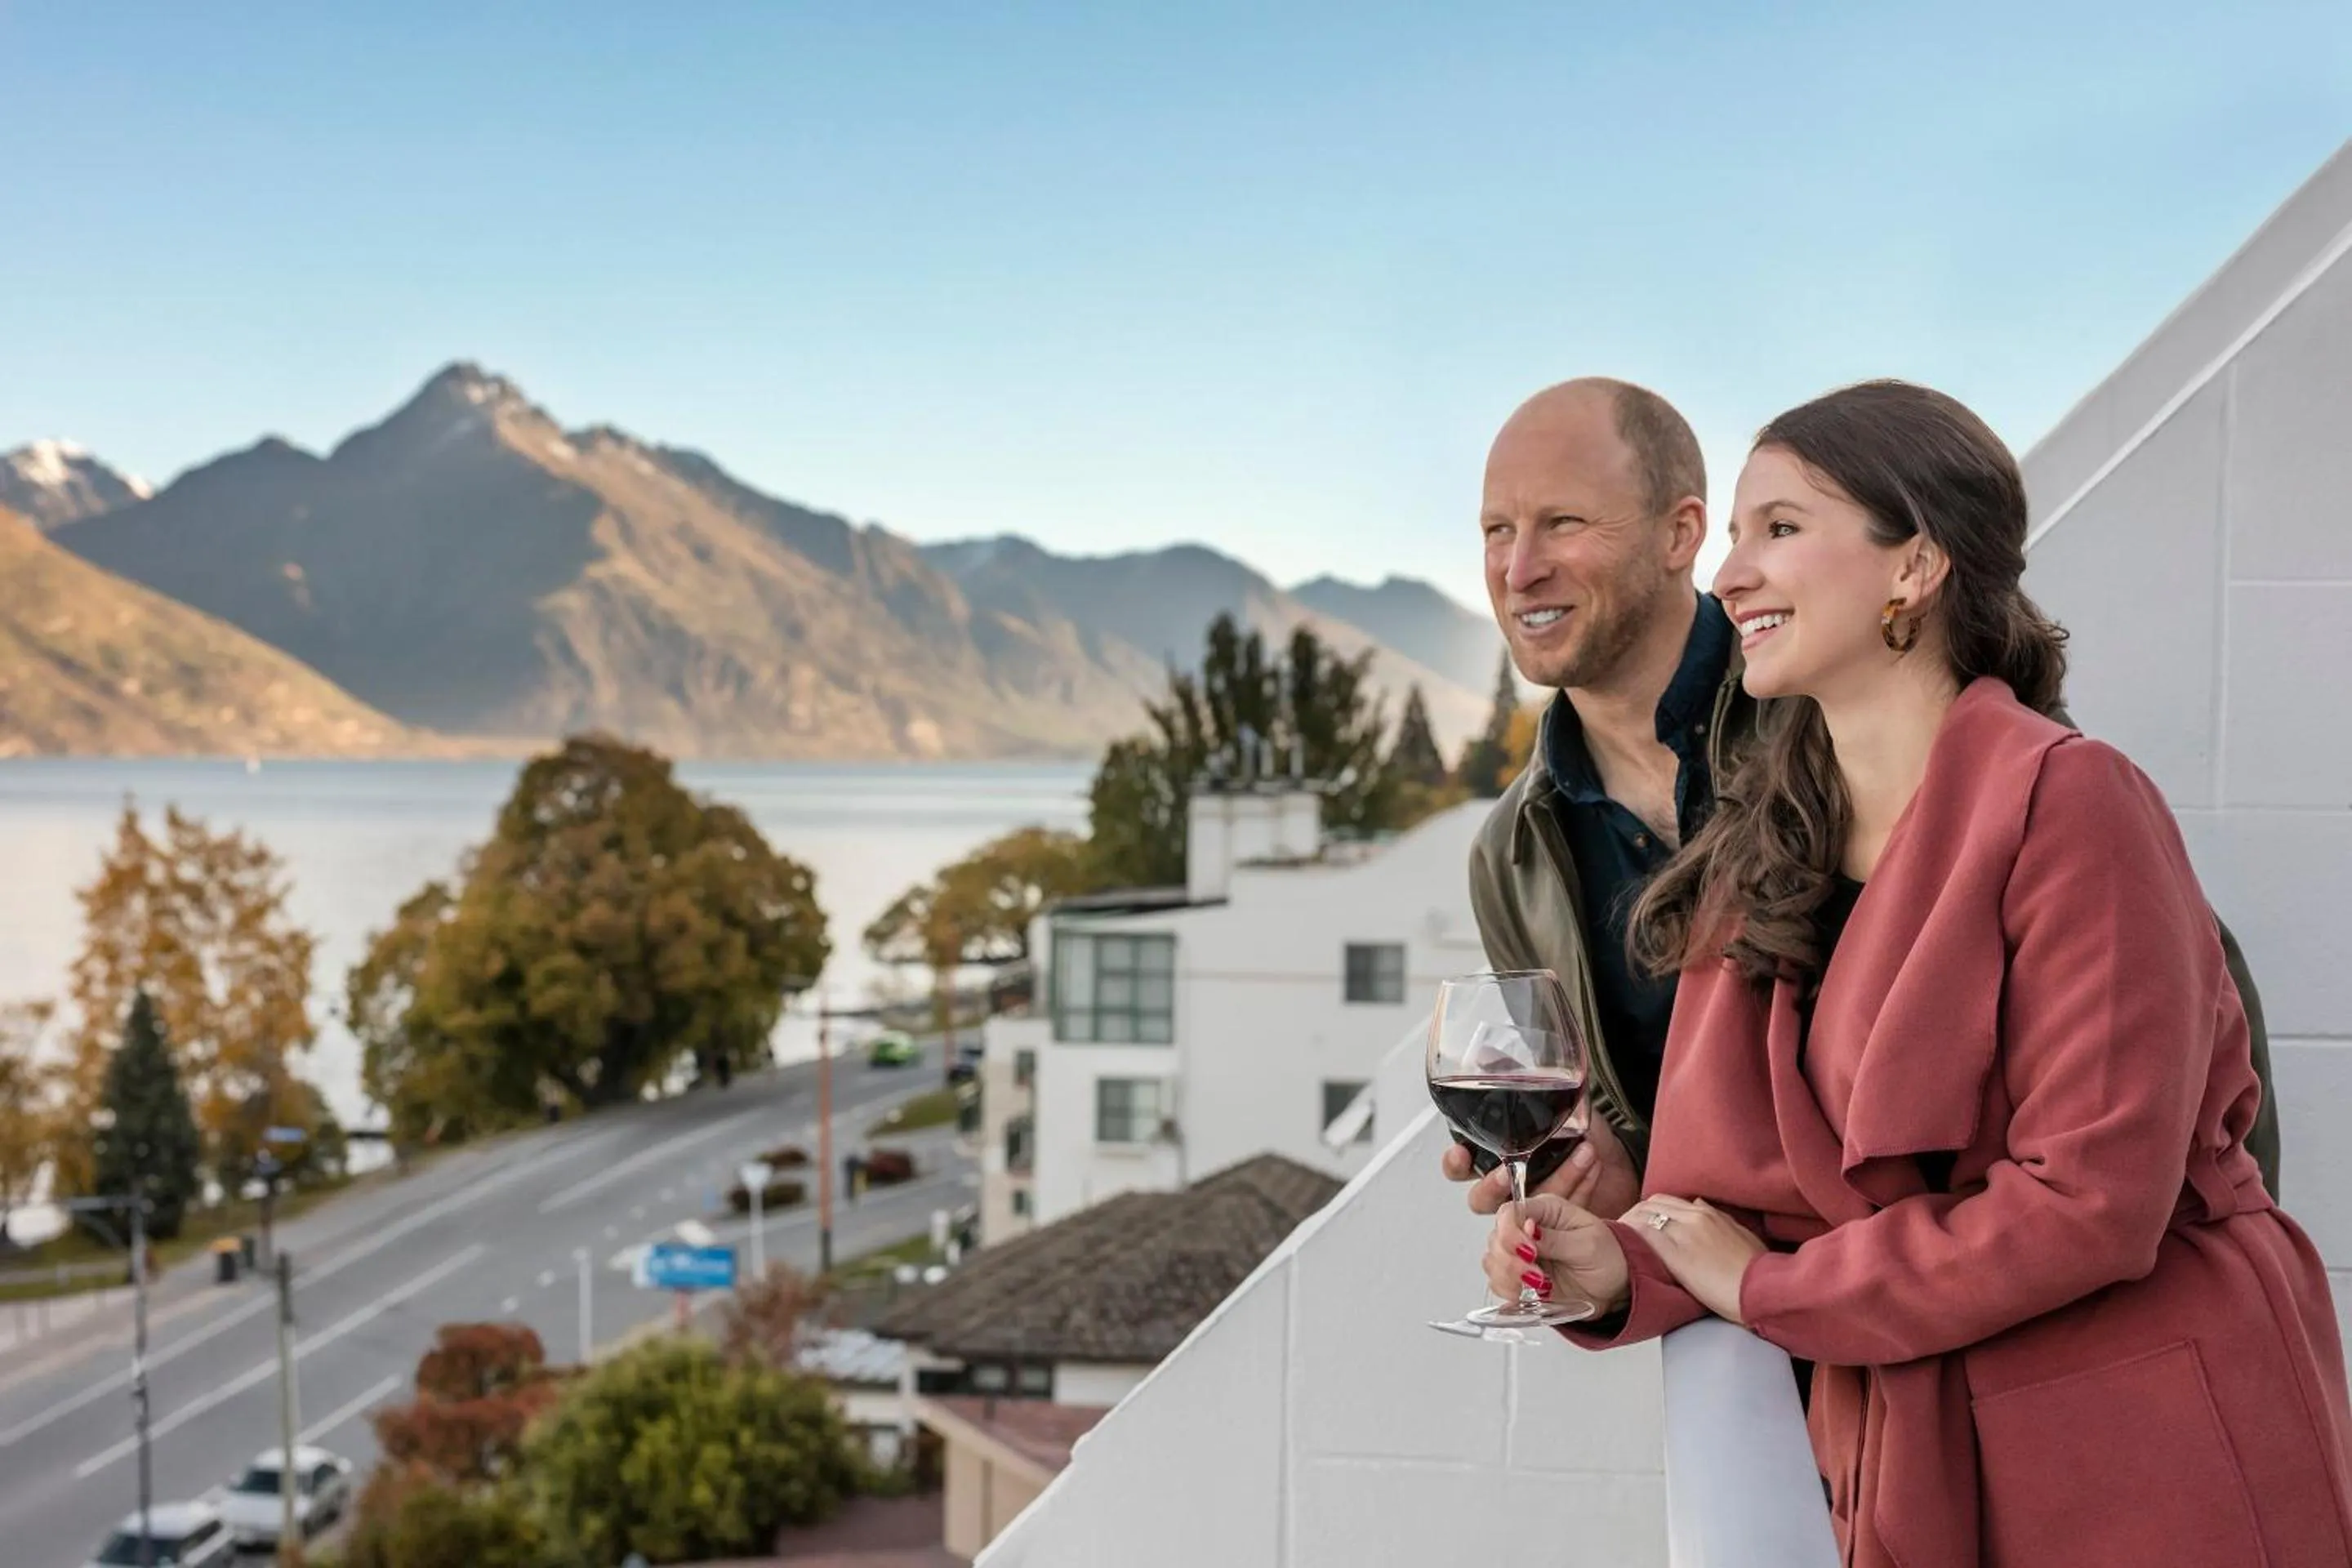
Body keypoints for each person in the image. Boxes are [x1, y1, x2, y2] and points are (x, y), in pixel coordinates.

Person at [1487, 381, 2352, 1566]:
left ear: (1917, 568)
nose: (1732, 574)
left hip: (2138, 1449)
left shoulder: (2072, 802)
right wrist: (1613, 1268)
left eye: (1780, 529)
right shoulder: (1756, 853)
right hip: (1906, 1458)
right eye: (1736, 534)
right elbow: (1727, 1204)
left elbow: (2091, 1203)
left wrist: (1772, 1295)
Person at [1449, 377, 2280, 1223]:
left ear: (1679, 533)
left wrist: (2217, 1247)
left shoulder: (1861, 687)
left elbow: (2171, 1005)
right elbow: (1648, 1134)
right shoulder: (1511, 855)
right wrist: (1596, 1185)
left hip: (1993, 1285)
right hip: (1782, 1300)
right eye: (1496, 530)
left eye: (1564, 522)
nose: (1520, 568)